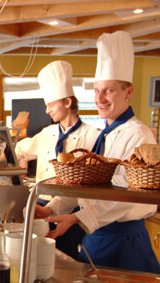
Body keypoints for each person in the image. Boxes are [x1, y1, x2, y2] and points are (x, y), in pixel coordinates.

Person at [40, 32, 160, 273]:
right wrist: (51, 209)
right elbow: (85, 184)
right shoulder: (103, 135)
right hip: (96, 238)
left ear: (128, 92)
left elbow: (128, 197)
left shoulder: (139, 135)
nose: (100, 99)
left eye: (109, 91)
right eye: (96, 91)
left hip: (124, 243)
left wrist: (77, 218)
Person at [14, 61, 99, 259]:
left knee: (65, 258)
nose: (47, 111)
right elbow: (20, 150)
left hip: (70, 210)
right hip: (40, 206)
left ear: (68, 103)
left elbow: (86, 185)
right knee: (38, 256)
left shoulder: (92, 136)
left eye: (51, 105)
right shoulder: (47, 133)